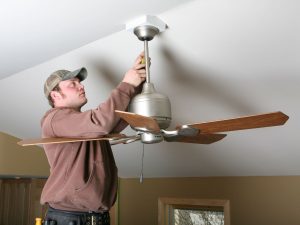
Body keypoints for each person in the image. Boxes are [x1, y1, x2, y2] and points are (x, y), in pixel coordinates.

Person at [41, 52, 146, 225]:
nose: (81, 86)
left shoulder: (83, 125)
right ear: (55, 95)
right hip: (69, 218)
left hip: (95, 218)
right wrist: (126, 84)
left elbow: (118, 119)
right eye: (72, 84)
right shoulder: (54, 119)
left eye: (80, 82)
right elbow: (101, 122)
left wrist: (137, 83)